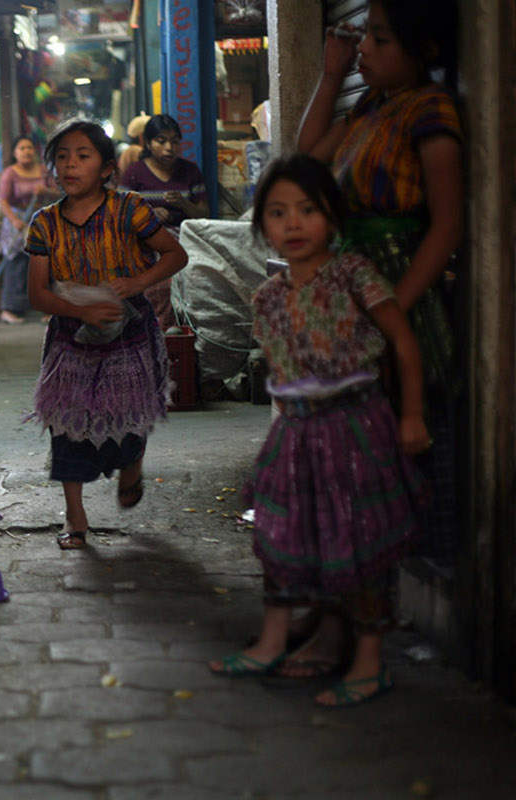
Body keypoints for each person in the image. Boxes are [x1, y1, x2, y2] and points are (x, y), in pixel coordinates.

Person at [207, 156, 427, 708]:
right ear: (263, 227)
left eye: (308, 209)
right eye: (278, 212)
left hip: (357, 427)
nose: (294, 223)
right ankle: (272, 641)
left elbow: (403, 343)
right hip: (295, 435)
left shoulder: (355, 274)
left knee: (360, 540)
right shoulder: (268, 296)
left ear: (332, 215)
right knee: (280, 537)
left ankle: (370, 663)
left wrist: (412, 415)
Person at [296, 0, 462, 611]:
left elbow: (445, 226)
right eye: (365, 37)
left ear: (424, 54)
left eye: (379, 40)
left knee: (409, 428)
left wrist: (390, 311)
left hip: (398, 288)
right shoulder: (370, 105)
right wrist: (332, 74)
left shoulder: (431, 112)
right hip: (352, 290)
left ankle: (410, 581)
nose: (364, 48)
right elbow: (308, 156)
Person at [22, 120, 189, 550]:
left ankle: (132, 463)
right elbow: (38, 294)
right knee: (68, 424)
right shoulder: (44, 224)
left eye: (82, 156)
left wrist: (135, 284)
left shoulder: (129, 208)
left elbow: (175, 254)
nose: (70, 165)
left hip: (129, 334)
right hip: (69, 339)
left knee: (129, 419)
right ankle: (75, 517)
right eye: (62, 157)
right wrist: (79, 309)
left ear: (106, 168)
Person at [118, 113, 209, 330]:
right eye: (162, 141)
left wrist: (183, 204)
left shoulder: (190, 171)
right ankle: (158, 333)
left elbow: (204, 216)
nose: (170, 148)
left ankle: (186, 336)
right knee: (158, 284)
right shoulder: (135, 173)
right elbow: (120, 214)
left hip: (184, 242)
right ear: (148, 143)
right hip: (146, 243)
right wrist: (148, 214)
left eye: (175, 141)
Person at [0, 135, 50, 323]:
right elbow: (3, 200)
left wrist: (45, 191)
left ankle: (47, 309)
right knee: (16, 264)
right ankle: (9, 310)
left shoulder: (43, 171)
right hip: (17, 221)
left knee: (43, 264)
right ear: (15, 153)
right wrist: (14, 220)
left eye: (29, 148)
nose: (26, 151)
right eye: (22, 148)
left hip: (39, 219)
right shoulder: (10, 173)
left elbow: (58, 192)